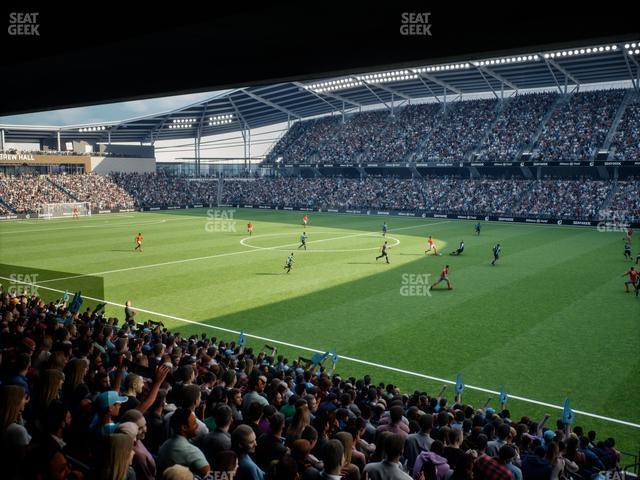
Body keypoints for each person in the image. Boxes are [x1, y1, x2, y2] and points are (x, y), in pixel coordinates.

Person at [157, 407, 210, 477]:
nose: (197, 426)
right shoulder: (192, 451)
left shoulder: (164, 446)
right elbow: (208, 474)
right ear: (184, 427)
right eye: (194, 423)